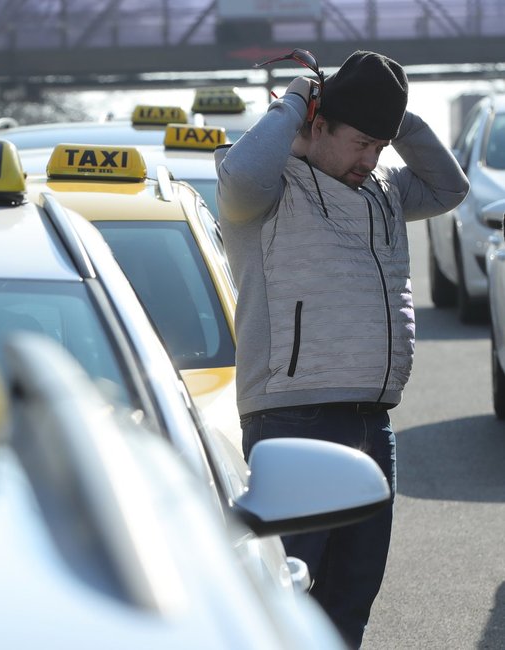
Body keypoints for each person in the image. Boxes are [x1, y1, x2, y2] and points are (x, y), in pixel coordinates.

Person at [214, 50, 469, 648]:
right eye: (360, 142)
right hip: (293, 418)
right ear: (317, 125)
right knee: (289, 598)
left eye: (379, 147)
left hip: (371, 421)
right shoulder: (268, 192)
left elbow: (449, 186)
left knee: (352, 596)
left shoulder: (385, 191)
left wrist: (389, 112)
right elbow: (240, 179)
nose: (369, 159)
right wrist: (300, 95)